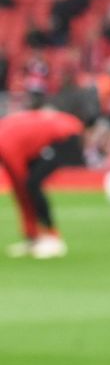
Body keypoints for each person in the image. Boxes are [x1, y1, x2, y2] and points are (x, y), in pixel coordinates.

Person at [0, 96, 88, 259]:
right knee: (28, 186)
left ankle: (53, 239)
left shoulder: (5, 145)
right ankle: (34, 239)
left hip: (67, 135)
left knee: (31, 185)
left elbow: (22, 187)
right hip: (50, 136)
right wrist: (30, 232)